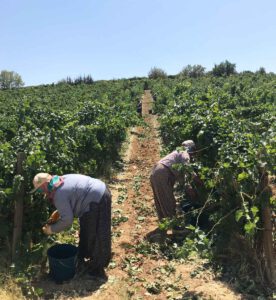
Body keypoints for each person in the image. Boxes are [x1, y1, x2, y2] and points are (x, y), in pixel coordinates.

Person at [31, 173, 112, 280]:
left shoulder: (58, 195)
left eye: (41, 190)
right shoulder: (60, 180)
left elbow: (67, 220)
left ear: (45, 185)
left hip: (96, 199)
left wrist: (51, 229)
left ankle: (97, 270)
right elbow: (72, 194)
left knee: (97, 233)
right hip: (99, 190)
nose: (42, 193)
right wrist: (59, 211)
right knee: (87, 229)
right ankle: (83, 257)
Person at [149, 140, 201, 242]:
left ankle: (164, 224)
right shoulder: (184, 153)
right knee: (168, 201)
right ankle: (175, 228)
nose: (193, 154)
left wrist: (187, 187)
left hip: (156, 172)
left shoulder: (177, 154)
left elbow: (182, 178)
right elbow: (188, 168)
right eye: (194, 151)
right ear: (191, 148)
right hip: (162, 173)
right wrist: (197, 180)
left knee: (161, 200)